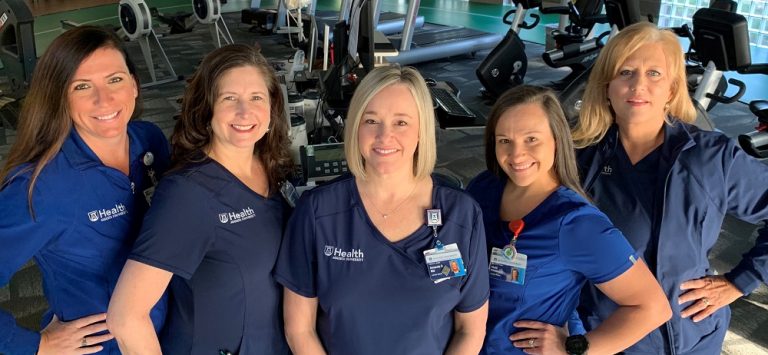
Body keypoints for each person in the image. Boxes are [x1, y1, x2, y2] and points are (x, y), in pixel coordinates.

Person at [573, 21, 768, 354]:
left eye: (654, 74)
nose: (638, 86)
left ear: (673, 88)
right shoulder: (577, 159)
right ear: (606, 85)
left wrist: (740, 281)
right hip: (608, 337)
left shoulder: (713, 157)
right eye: (625, 72)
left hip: (692, 336)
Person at [274, 65, 490, 355]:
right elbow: (300, 329)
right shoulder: (318, 212)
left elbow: (470, 329)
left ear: (421, 130)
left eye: (401, 122)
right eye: (371, 120)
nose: (384, 135)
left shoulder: (462, 215)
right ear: (355, 128)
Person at [107, 44, 293, 355]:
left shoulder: (272, 166)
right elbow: (125, 317)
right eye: (229, 98)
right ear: (206, 109)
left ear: (273, 107)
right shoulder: (188, 194)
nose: (245, 112)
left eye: (256, 98)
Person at [0, 26, 169, 354]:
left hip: (166, 335)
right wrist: (35, 345)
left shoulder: (149, 140)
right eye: (82, 86)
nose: (104, 99)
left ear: (134, 84)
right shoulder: (43, 188)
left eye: (115, 80)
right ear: (60, 97)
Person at [466, 85, 671, 355]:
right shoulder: (484, 188)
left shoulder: (577, 224)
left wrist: (575, 349)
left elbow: (653, 307)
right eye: (505, 140)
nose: (516, 155)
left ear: (557, 140)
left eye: (531, 139)